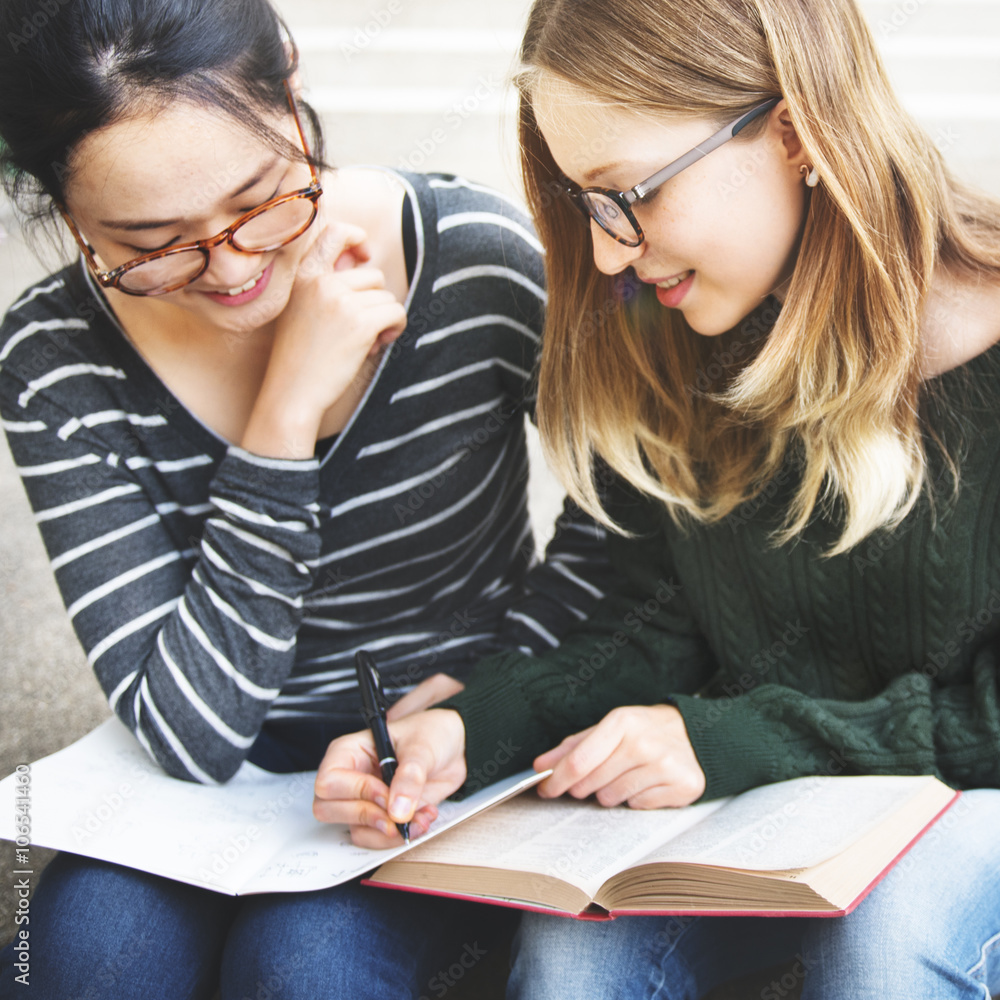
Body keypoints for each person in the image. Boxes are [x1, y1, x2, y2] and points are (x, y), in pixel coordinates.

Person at [313, 1, 1000, 997]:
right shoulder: (680, 321)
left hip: (968, 801)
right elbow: (651, 620)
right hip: (770, 821)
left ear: (795, 130)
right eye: (587, 204)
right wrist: (471, 726)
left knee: (888, 946)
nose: (605, 254)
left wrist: (734, 740)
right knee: (572, 949)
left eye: (627, 193)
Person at [0, 0, 619, 996]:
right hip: (204, 781)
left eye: (261, 200)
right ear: (65, 209)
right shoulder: (54, 357)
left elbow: (623, 527)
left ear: (288, 81)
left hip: (436, 769)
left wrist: (492, 695)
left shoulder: (472, 261)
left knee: (305, 967)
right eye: (151, 245)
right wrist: (280, 422)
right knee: (84, 962)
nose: (236, 269)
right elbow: (191, 733)